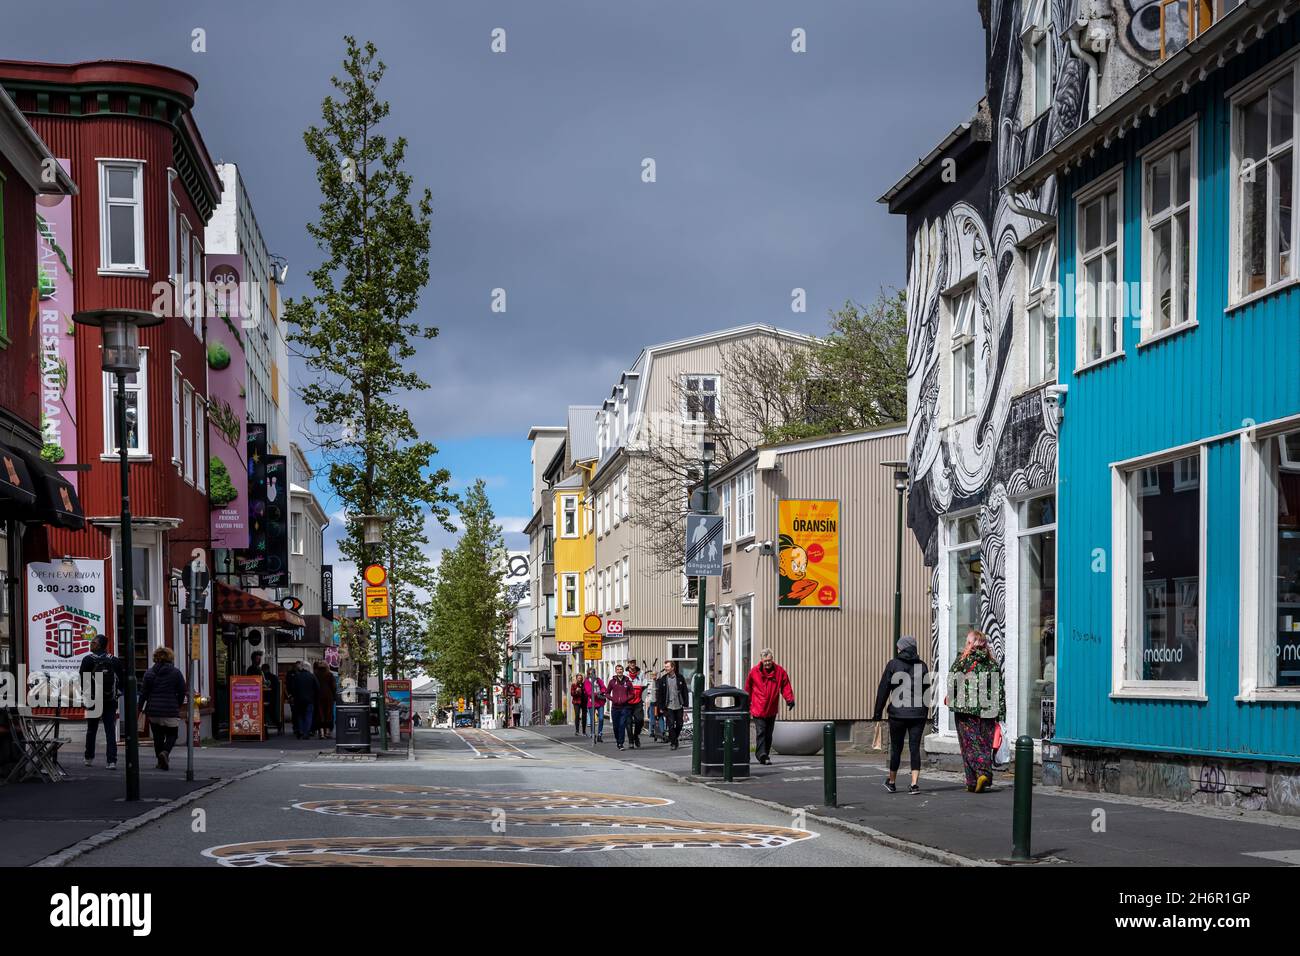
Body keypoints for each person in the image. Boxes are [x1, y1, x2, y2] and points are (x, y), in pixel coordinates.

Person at [872, 634, 930, 794]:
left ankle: (891, 782)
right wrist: (924, 711)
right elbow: (927, 691)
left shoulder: (893, 664)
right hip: (918, 714)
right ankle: (914, 784)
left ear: (902, 648)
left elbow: (883, 689)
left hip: (898, 714)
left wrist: (877, 713)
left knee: (896, 748)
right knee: (914, 748)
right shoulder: (922, 666)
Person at [949, 629, 1005, 793]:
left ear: (970, 644)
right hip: (989, 710)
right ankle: (973, 782)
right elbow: (999, 690)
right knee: (984, 744)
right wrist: (1001, 713)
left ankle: (980, 775)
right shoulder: (992, 663)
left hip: (966, 710)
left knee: (969, 744)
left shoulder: (963, 660)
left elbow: (952, 680)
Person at [79, 634, 125, 769]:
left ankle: (88, 757)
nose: (90, 644)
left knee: (91, 730)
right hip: (110, 700)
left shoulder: (88, 660)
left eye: (93, 642)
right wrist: (117, 693)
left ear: (98, 645)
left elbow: (83, 680)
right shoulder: (114, 660)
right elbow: (121, 680)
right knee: (110, 730)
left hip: (93, 699)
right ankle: (111, 761)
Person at [138, 646, 187, 770]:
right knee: (172, 735)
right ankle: (165, 753)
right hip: (170, 709)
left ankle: (160, 762)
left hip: (153, 710)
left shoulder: (149, 673)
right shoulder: (176, 673)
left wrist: (140, 707)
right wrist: (178, 704)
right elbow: (182, 691)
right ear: (170, 658)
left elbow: (143, 693)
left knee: (158, 736)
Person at [744, 649, 795, 765]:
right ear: (761, 660)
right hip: (758, 708)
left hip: (771, 709)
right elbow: (748, 688)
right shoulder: (754, 672)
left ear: (772, 659)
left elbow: (785, 686)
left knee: (768, 734)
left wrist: (789, 699)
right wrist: (746, 703)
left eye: (769, 660)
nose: (767, 663)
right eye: (765, 661)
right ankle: (761, 754)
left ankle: (765, 754)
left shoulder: (779, 671)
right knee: (761, 732)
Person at [655, 660, 690, 750]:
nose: (666, 668)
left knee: (679, 724)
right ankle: (674, 743)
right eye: (665, 667)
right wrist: (661, 707)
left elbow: (685, 691)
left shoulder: (680, 678)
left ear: (672, 668)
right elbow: (659, 695)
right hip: (668, 706)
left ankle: (674, 738)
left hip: (678, 705)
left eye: (667, 667)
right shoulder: (663, 679)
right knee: (670, 725)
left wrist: (686, 704)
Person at [286, 661, 320, 740]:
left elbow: (293, 688)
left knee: (300, 716)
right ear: (308, 668)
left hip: (298, 700)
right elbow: (317, 688)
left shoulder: (297, 676)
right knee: (308, 716)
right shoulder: (312, 676)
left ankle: (301, 730)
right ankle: (306, 732)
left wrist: (294, 696)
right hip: (309, 700)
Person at [606, 664, 634, 750]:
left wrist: (626, 699)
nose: (619, 671)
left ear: (623, 671)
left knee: (622, 725)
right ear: (616, 671)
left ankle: (621, 743)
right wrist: (613, 699)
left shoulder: (627, 682)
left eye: (621, 669)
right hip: (615, 707)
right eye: (617, 669)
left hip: (624, 707)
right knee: (616, 726)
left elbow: (632, 694)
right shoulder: (612, 682)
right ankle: (618, 740)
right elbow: (607, 693)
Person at [313, 662, 337, 739]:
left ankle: (321, 733)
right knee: (328, 714)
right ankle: (327, 732)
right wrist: (334, 696)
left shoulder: (315, 674)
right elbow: (333, 686)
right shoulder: (329, 674)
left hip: (318, 696)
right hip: (328, 696)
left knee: (320, 714)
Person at [584, 667, 608, 743]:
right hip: (592, 702)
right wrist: (597, 693)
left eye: (593, 673)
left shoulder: (598, 680)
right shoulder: (587, 681)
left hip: (600, 702)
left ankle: (600, 734)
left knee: (601, 718)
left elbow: (604, 688)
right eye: (591, 673)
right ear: (588, 674)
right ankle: (593, 734)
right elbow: (588, 692)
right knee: (592, 719)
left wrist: (601, 691)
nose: (592, 675)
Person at [627, 663, 648, 748]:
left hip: (638, 702)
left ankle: (636, 736)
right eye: (631, 662)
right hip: (627, 703)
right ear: (628, 664)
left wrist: (643, 699)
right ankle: (631, 741)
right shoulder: (625, 674)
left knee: (640, 721)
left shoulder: (641, 673)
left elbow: (645, 686)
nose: (632, 664)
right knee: (628, 723)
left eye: (634, 662)